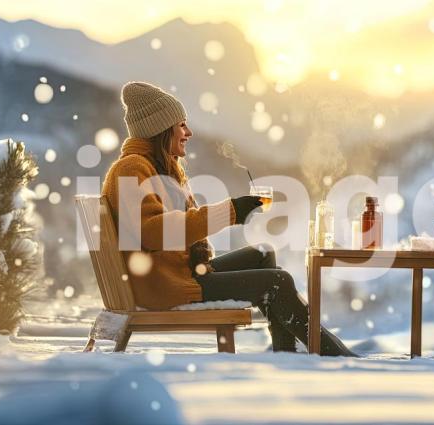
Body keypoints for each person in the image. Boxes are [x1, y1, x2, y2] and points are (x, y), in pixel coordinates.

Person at [102, 81, 354, 356]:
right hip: (165, 286)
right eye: (181, 125)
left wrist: (235, 209)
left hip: (172, 275)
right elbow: (152, 233)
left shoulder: (156, 167)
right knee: (277, 282)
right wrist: (230, 210)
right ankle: (333, 354)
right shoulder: (132, 168)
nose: (189, 132)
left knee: (262, 253)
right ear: (161, 129)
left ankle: (287, 353)